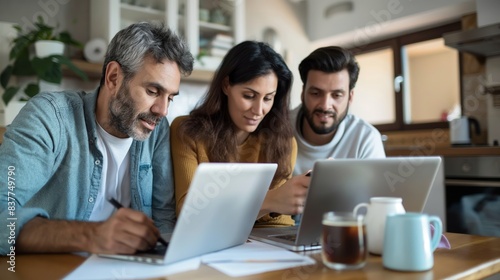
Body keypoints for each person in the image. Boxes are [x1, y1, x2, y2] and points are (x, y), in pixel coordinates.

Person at [0, 22, 194, 255]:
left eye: (170, 98)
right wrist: (91, 235)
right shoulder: (49, 117)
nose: (163, 110)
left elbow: (164, 220)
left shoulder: (157, 131)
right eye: (153, 92)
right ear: (113, 77)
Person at [170, 41, 310, 227]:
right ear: (227, 85)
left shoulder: (283, 142)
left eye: (268, 98)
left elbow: (278, 222)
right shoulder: (187, 131)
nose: (258, 110)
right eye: (249, 96)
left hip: (267, 247)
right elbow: (189, 212)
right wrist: (268, 201)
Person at [290, 46, 385, 176]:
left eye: (337, 95)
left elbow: (376, 194)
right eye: (316, 93)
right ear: (303, 93)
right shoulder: (277, 128)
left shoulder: (365, 138)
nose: (325, 106)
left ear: (350, 97)